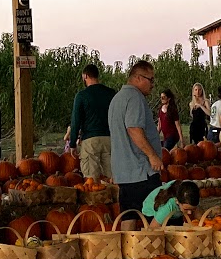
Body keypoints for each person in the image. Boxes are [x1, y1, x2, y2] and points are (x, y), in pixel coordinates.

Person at [109, 61, 165, 215]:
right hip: (140, 171)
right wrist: (152, 156)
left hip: (124, 172)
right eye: (150, 80)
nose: (152, 85)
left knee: (129, 216)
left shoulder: (117, 99)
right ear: (138, 78)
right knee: (156, 216)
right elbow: (134, 129)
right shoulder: (135, 97)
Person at [65, 64, 116, 179]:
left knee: (91, 179)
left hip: (90, 140)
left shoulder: (82, 96)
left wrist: (72, 144)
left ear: (86, 76)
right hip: (109, 139)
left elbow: (76, 121)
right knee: (112, 176)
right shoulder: (111, 93)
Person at [156, 88, 181, 152]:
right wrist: (155, 136)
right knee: (157, 147)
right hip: (165, 136)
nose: (162, 99)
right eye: (161, 97)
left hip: (173, 135)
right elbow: (159, 125)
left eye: (164, 97)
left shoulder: (172, 110)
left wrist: (181, 140)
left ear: (169, 98)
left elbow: (178, 125)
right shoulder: (160, 110)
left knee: (165, 149)